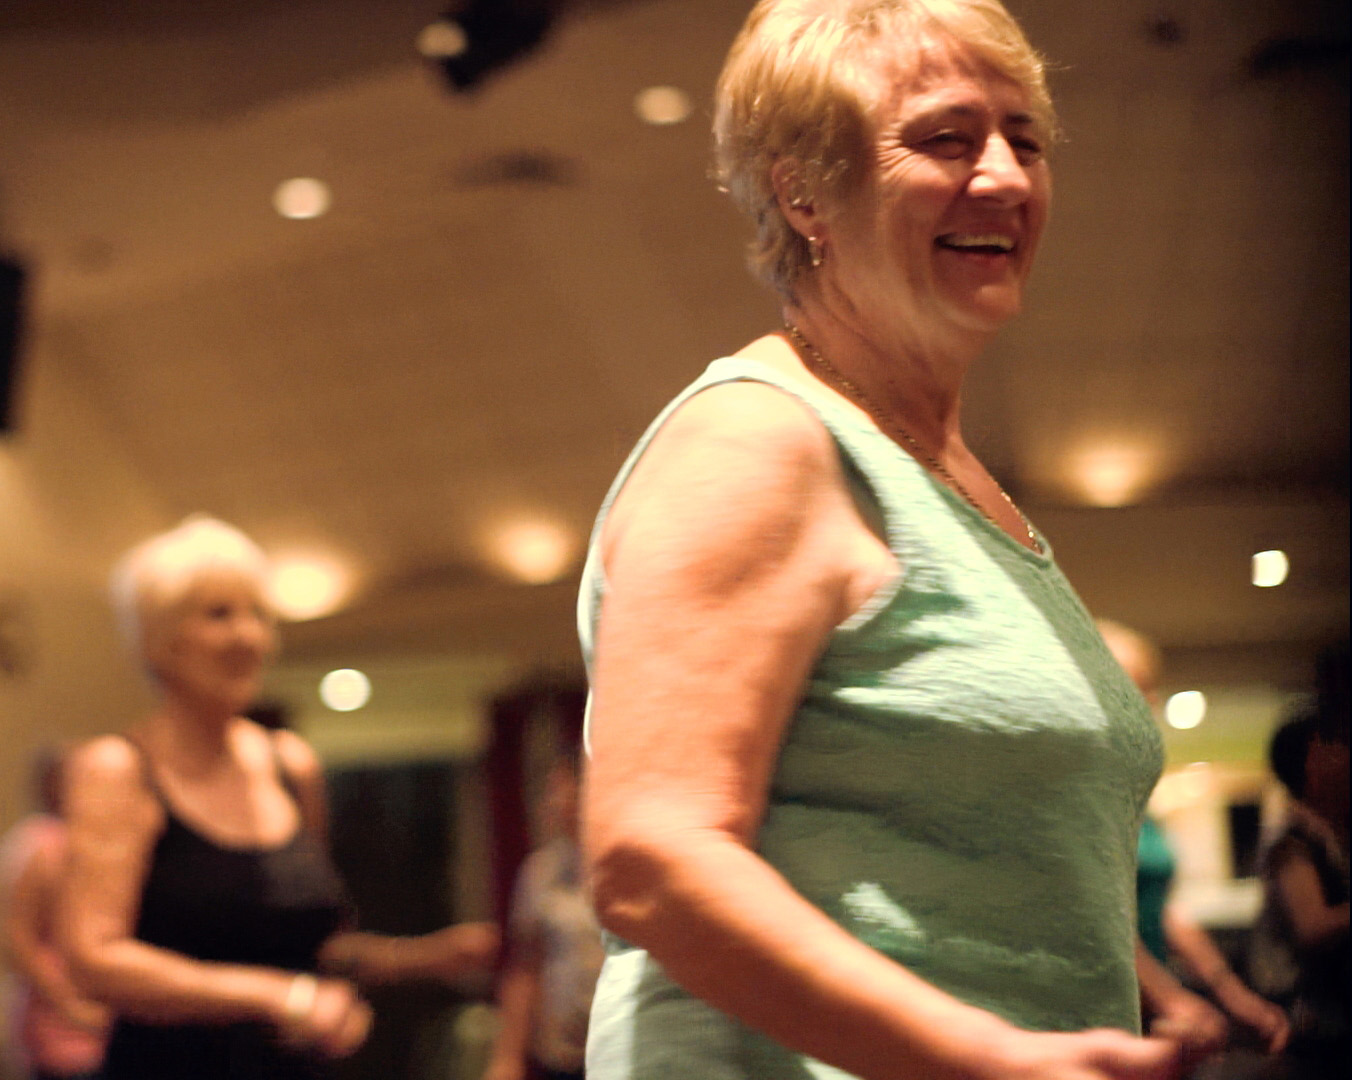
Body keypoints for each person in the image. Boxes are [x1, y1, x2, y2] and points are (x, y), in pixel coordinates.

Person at [577, 2, 1196, 1077]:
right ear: (804, 194)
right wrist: (991, 1058)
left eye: (1026, 140)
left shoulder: (942, 471)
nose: (1003, 177)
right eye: (947, 139)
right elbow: (650, 861)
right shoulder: (761, 441)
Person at [59, 515, 499, 1080]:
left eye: (258, 615)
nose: (249, 637)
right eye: (219, 614)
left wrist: (423, 958)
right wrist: (277, 996)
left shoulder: (290, 764)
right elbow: (92, 957)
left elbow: (315, 948)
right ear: (159, 640)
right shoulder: (118, 769)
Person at [1095, 620, 1289, 1062]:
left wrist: (1231, 994)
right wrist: (1172, 999)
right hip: (1106, 1009)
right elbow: (1095, 913)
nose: (1148, 707)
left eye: (1148, 693)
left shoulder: (1133, 792)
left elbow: (1158, 907)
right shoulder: (1081, 790)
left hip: (1147, 1007)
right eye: (1130, 692)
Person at [0, 740, 110, 1080]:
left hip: (89, 1019)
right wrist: (71, 1006)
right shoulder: (41, 845)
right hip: (59, 1026)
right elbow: (16, 941)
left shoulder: (83, 839)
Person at [484, 752, 602, 1080]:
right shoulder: (540, 872)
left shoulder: (629, 867)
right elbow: (525, 968)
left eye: (559, 790)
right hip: (560, 1057)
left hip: (621, 1050)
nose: (551, 802)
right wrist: (507, 1058)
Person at [1247, 706, 1348, 1080]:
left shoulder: (1325, 836)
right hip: (1313, 1023)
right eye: (1333, 748)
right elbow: (1313, 926)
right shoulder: (1294, 842)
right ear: (1309, 765)